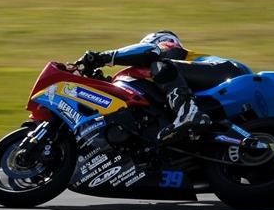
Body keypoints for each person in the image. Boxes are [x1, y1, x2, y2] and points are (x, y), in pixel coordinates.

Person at [74, 30, 250, 143]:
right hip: (222, 99)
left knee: (161, 65)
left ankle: (187, 112)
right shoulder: (172, 80)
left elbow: (150, 52)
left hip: (229, 71)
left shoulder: (168, 49)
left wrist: (102, 58)